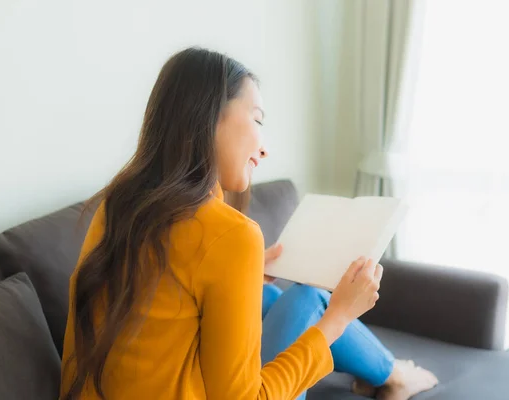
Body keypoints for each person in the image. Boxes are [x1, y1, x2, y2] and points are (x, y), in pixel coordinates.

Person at [60, 47, 438, 400]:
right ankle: (391, 374)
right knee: (308, 299)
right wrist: (340, 317)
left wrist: (242, 279)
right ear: (207, 118)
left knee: (267, 295)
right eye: (257, 119)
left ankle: (389, 373)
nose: (263, 147)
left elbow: (158, 309)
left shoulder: (118, 206)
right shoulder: (229, 234)